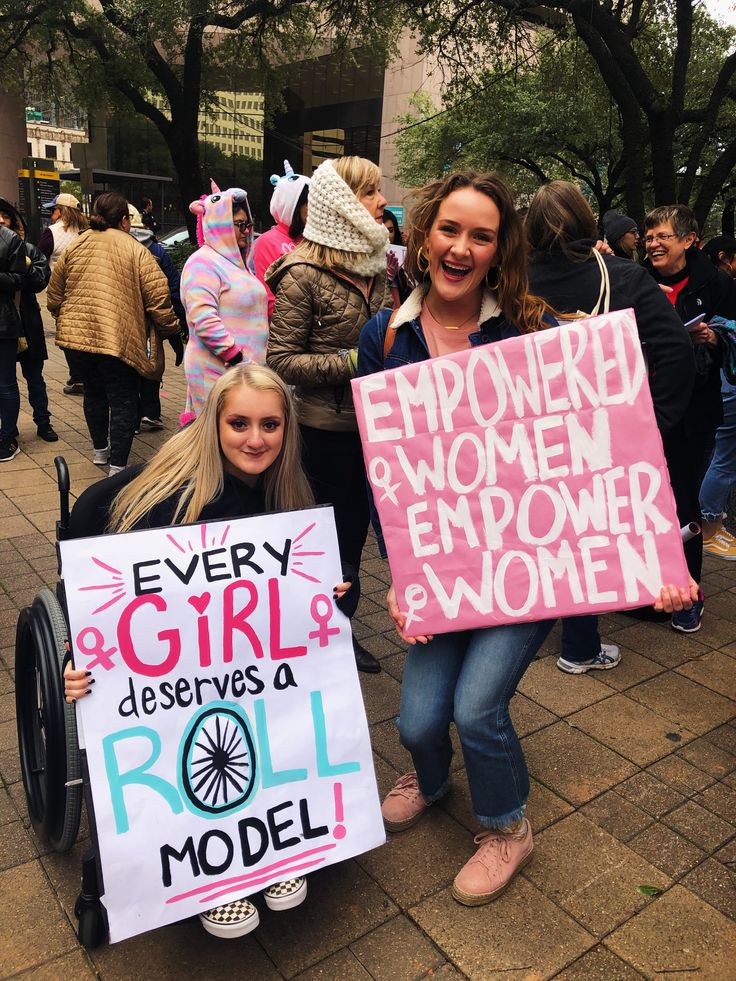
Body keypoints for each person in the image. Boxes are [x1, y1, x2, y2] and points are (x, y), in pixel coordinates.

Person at [357, 170, 696, 906]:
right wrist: (403, 576)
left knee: (477, 707)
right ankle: (434, 775)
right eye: (450, 228)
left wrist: (651, 548)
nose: (462, 247)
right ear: (423, 234)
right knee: (418, 719)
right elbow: (386, 470)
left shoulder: (530, 325)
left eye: (482, 235)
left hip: (524, 564)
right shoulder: (384, 334)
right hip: (444, 567)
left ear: (499, 248)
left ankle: (507, 824)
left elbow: (604, 437)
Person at [63, 364, 358, 938]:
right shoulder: (171, 501)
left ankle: (271, 848)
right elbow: (102, 577)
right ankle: (214, 875)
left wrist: (334, 596)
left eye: (270, 425)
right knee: (189, 723)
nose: (255, 439)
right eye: (239, 423)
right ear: (214, 424)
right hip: (177, 667)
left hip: (242, 668)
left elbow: (320, 603)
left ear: (286, 430)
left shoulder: (288, 497)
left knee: (272, 709)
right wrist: (85, 656)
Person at [526, 181, 696, 662]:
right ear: (588, 224)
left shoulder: (507, 281)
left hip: (527, 439)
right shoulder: (623, 279)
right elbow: (677, 355)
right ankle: (578, 647)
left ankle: (525, 614)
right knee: (586, 531)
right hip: (599, 438)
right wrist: (649, 425)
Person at [266, 156, 389, 674]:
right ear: (342, 203)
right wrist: (354, 361)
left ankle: (340, 632)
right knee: (321, 543)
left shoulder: (381, 265)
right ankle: (313, 638)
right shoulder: (302, 275)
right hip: (324, 432)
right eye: (371, 192)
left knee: (355, 537)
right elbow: (281, 359)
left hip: (373, 428)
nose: (382, 202)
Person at [643, 204, 736, 628]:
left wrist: (714, 338)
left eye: (662, 236)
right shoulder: (632, 278)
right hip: (643, 407)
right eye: (648, 237)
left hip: (695, 409)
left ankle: (689, 593)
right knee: (645, 501)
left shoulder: (716, 283)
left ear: (689, 240)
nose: (653, 244)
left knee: (685, 502)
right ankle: (648, 589)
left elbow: (734, 331)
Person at [47, 192, 180, 475]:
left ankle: (100, 451)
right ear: (124, 220)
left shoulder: (76, 245)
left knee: (94, 394)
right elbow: (158, 300)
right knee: (123, 400)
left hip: (77, 341)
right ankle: (118, 466)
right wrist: (174, 334)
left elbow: (54, 294)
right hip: (117, 340)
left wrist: (65, 319)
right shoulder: (137, 250)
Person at [180, 183, 268, 423]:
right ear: (220, 226)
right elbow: (203, 320)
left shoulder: (240, 264)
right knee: (217, 441)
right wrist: (237, 358)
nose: (246, 230)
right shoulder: (202, 263)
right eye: (239, 225)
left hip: (244, 373)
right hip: (219, 372)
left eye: (247, 224)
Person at [0, 199, 57, 444]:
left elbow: (40, 280)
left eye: (6, 216)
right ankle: (8, 430)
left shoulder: (30, 249)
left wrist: (24, 267)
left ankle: (43, 422)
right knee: (5, 381)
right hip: (3, 325)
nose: (2, 220)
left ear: (14, 221)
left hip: (27, 322)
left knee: (35, 377)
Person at [128, 205, 186, 431]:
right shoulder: (156, 250)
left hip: (122, 319)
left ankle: (131, 416)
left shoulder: (112, 248)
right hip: (152, 320)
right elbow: (173, 288)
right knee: (152, 363)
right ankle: (150, 412)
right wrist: (179, 323)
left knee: (128, 368)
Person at [697, 235, 736, 558]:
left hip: (721, 382)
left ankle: (714, 522)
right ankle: (709, 527)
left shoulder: (707, 284)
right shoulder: (721, 286)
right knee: (725, 456)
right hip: (729, 382)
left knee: (720, 454)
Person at [38, 192, 89, 396]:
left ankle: (78, 377)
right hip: (88, 291)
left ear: (62, 211)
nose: (52, 215)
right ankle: (85, 375)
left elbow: (39, 258)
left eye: (53, 210)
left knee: (68, 336)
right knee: (86, 334)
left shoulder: (51, 232)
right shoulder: (88, 231)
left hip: (64, 294)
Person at [251, 161, 310, 319]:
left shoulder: (314, 239)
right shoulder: (266, 242)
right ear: (292, 206)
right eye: (309, 203)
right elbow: (268, 301)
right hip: (285, 332)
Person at [0, 220, 27, 462]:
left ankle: (7, 436)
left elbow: (20, 279)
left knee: (6, 383)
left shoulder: (9, 239)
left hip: (3, 322)